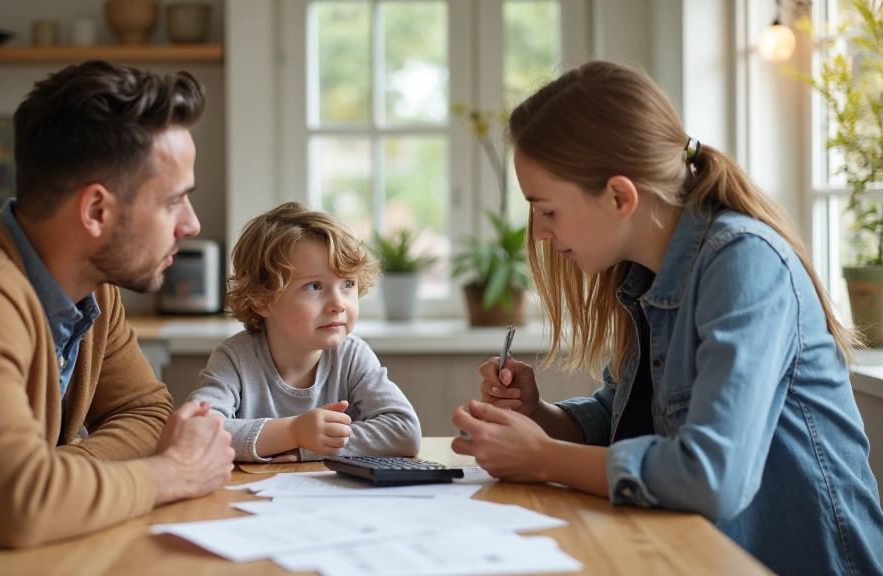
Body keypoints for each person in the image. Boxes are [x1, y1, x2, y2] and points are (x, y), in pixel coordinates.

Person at [451, 60, 883, 575]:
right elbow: (628, 422)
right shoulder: (647, 277)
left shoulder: (744, 262)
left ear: (619, 196)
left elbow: (709, 476)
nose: (540, 233)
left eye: (546, 209)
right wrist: (538, 415)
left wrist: (542, 457)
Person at [0, 60, 235, 576]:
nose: (191, 224)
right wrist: (174, 472)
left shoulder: (90, 281)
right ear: (96, 212)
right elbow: (20, 507)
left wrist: (49, 484)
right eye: (175, 201)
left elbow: (146, 414)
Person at [190, 202, 421, 462]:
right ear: (262, 299)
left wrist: (306, 448)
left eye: (347, 284)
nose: (338, 304)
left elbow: (405, 432)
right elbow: (198, 432)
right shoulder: (234, 359)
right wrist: (292, 432)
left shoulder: (353, 356)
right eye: (314, 286)